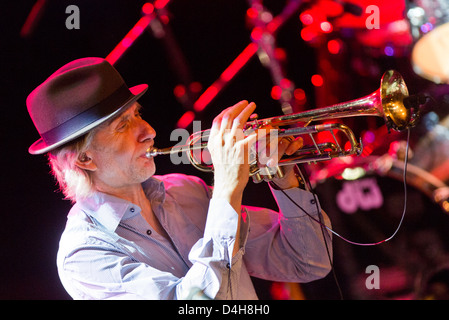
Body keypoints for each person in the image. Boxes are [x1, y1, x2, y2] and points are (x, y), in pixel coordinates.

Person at [27, 57, 332, 300]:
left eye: (137, 114)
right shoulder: (84, 254)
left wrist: (283, 177)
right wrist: (227, 189)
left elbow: (308, 260)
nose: (149, 131)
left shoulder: (188, 191)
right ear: (84, 159)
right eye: (123, 125)